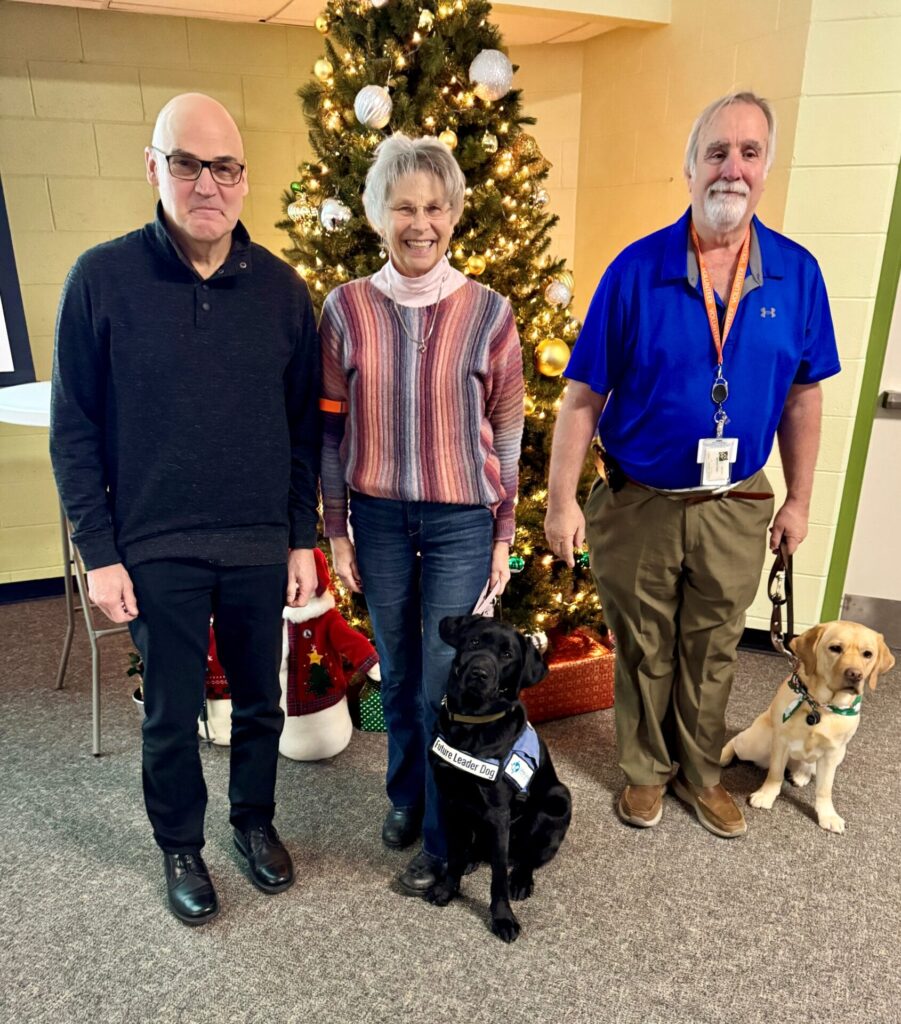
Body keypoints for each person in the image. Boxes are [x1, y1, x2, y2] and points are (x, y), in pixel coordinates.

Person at [50, 93, 321, 924]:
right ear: (155, 167)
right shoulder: (101, 279)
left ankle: (253, 822)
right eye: (187, 163)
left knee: (259, 701)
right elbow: (75, 430)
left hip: (254, 541)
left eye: (225, 167)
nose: (208, 183)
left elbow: (302, 428)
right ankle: (180, 845)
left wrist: (301, 538)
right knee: (171, 711)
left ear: (244, 180)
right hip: (153, 543)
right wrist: (99, 553)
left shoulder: (281, 291)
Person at [544, 92, 840, 839]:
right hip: (638, 498)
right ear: (689, 168)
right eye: (715, 152)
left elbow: (803, 396)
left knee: (711, 649)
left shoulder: (796, 277)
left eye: (746, 153)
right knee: (643, 644)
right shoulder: (634, 270)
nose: (730, 169)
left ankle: (700, 774)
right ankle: (645, 773)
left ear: (764, 169)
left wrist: (798, 500)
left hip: (734, 503)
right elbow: (581, 396)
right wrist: (560, 503)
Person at [319, 134, 524, 894]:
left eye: (435, 206)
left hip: (459, 524)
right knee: (397, 669)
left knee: (442, 675)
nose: (420, 221)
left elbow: (505, 431)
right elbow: (330, 430)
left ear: (453, 214)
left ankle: (442, 839)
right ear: (378, 213)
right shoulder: (345, 310)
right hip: (374, 515)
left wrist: (502, 533)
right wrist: (335, 527)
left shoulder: (489, 314)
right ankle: (405, 796)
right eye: (404, 205)